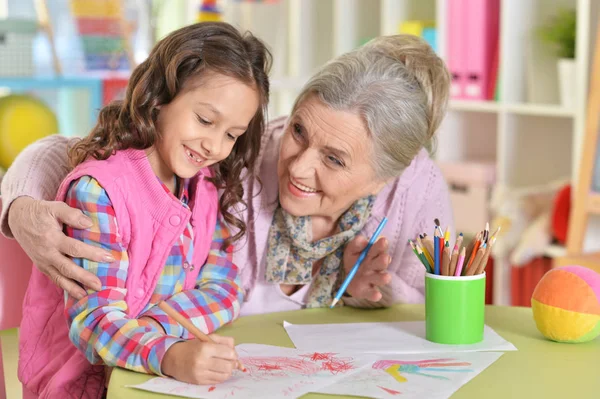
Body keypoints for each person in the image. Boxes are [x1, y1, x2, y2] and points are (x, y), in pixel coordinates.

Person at [1, 34, 453, 320]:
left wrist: (363, 292)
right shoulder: (233, 147)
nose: (297, 166)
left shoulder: (418, 187)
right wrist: (19, 208)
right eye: (298, 130)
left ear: (385, 178)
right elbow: (65, 151)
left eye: (333, 160)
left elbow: (440, 304)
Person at [12, 22, 271, 398]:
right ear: (159, 98)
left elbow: (226, 289)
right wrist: (168, 354)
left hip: (151, 381)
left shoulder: (207, 185)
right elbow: (95, 323)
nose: (215, 145)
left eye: (231, 134)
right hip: (78, 386)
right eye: (205, 120)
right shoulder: (99, 193)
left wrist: (155, 328)